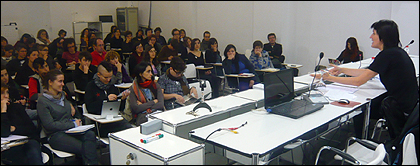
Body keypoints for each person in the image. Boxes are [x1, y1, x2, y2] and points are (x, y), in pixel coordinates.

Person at [311, 19, 418, 140]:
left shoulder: (387, 55)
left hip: (400, 109)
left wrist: (331, 78)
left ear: (382, 37)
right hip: (409, 106)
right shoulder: (395, 52)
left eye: (374, 33)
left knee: (360, 110)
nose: (370, 37)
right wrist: (342, 70)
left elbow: (359, 81)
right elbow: (368, 73)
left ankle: (361, 141)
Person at [37, 69, 98, 165]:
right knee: (87, 147)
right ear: (50, 82)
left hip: (71, 131)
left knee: (90, 135)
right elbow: (50, 125)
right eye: (60, 81)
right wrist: (72, 124)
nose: (62, 84)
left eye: (63, 81)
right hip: (56, 135)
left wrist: (76, 119)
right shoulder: (42, 102)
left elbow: (74, 113)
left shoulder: (62, 96)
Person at [84, 61, 132, 138]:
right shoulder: (91, 87)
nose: (108, 80)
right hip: (99, 122)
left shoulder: (112, 86)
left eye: (110, 77)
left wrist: (122, 99)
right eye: (106, 77)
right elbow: (90, 108)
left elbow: (119, 108)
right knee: (125, 129)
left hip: (113, 118)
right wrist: (106, 99)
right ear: (99, 75)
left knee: (128, 128)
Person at [1, 82, 43, 165]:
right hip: (6, 148)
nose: (6, 96)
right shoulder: (4, 112)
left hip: (26, 142)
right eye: (2, 93)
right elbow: (5, 132)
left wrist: (14, 129)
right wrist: (3, 111)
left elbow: (32, 129)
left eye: (7, 92)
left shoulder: (16, 107)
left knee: (32, 153)